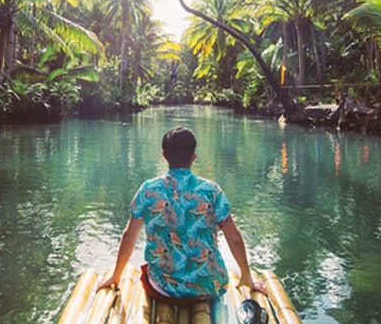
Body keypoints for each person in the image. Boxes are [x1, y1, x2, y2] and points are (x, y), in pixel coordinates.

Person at [97, 126, 266, 309]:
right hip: (208, 286)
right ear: (194, 157)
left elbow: (129, 237)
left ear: (164, 156)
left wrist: (116, 275)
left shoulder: (148, 190)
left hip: (163, 287)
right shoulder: (212, 191)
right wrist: (246, 275)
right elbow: (234, 238)